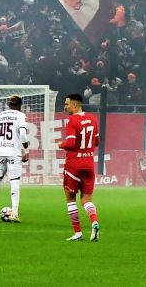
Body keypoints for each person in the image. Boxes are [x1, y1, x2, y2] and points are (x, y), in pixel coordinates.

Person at [57, 93, 101, 242]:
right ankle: (94, 221)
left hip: (74, 165)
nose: (65, 106)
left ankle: (78, 233)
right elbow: (96, 142)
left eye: (67, 104)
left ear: (75, 105)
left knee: (70, 199)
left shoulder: (72, 120)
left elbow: (69, 144)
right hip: (89, 164)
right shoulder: (93, 119)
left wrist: (60, 144)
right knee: (87, 200)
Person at [0, 94, 30, 220]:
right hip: (14, 152)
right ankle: (14, 213)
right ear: (20, 105)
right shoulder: (20, 116)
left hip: (0, 151)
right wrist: (26, 151)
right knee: (14, 181)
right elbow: (23, 135)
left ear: (9, 104)